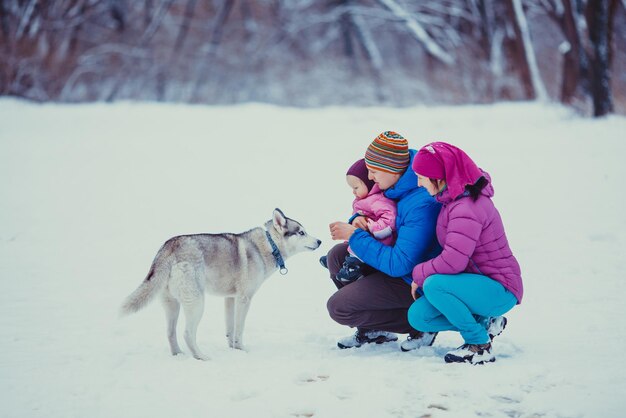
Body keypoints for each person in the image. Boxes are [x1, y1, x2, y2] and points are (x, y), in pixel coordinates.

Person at [406, 142, 523, 365]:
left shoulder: (467, 207)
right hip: (475, 284)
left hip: (500, 288)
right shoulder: (453, 201)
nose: (419, 182)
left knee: (433, 285)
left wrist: (418, 274)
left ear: (439, 177)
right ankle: (486, 323)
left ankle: (479, 344)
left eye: (421, 176)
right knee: (419, 316)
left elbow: (453, 261)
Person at [325, 131, 442, 349]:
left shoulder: (421, 203)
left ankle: (423, 324)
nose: (369, 178)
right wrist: (358, 220)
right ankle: (373, 330)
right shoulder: (394, 186)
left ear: (393, 170)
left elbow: (400, 264)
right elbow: (376, 208)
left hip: (413, 279)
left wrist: (354, 235)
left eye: (373, 171)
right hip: (397, 264)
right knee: (337, 256)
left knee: (339, 308)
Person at [321, 158, 397, 283]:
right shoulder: (363, 200)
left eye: (356, 187)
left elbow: (390, 220)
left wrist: (371, 226)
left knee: (357, 248)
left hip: (379, 239)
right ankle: (334, 259)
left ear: (369, 184)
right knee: (347, 242)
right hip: (363, 234)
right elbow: (356, 215)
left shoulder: (379, 200)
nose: (353, 191)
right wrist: (355, 220)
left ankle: (352, 267)